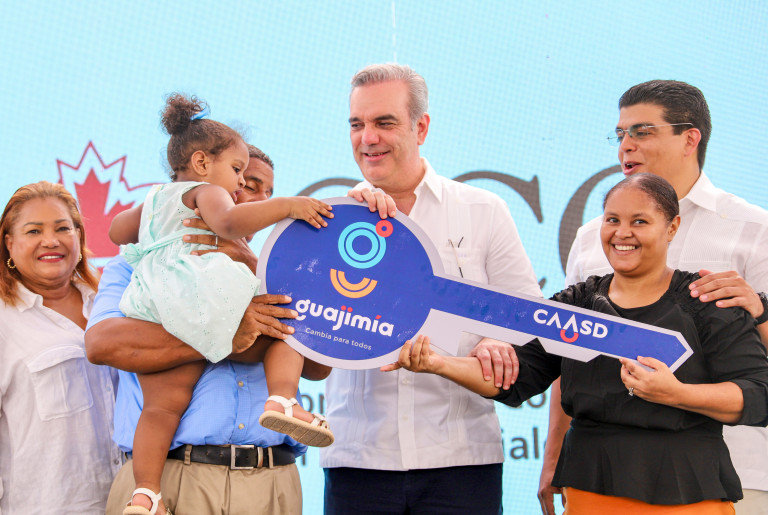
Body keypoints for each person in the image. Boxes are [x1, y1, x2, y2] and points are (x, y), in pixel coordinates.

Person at [386, 173, 768, 513]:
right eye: (612, 220)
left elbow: (758, 394)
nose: (622, 233)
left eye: (639, 221)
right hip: (589, 491)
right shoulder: (578, 304)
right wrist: (437, 363)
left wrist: (677, 394)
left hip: (688, 492)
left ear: (672, 228)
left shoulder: (706, 301)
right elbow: (514, 377)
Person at [320, 63, 542, 514]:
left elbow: (527, 316)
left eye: (384, 122)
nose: (368, 138)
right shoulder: (325, 221)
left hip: (463, 458)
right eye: (357, 124)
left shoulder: (482, 210)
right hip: (359, 461)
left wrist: (496, 337)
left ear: (421, 127)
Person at [539, 80, 768, 515]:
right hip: (602, 478)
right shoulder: (592, 236)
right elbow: (567, 353)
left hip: (737, 473)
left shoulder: (753, 230)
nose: (625, 146)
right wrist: (553, 455)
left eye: (642, 132)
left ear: (690, 139)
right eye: (620, 134)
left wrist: (758, 312)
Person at [108, 94, 334, 515]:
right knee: (281, 326)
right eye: (241, 177)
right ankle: (283, 400)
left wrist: (161, 230)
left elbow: (118, 230)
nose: (246, 191)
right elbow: (100, 344)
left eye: (270, 192)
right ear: (201, 163)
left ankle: (146, 495)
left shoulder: (158, 202)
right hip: (188, 477)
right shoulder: (206, 196)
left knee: (160, 408)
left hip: (155, 301)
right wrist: (288, 207)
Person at [0, 181, 121, 513]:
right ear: (9, 243)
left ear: (79, 236)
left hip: (127, 500)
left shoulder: (114, 304)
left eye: (62, 228)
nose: (50, 240)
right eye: (34, 231)